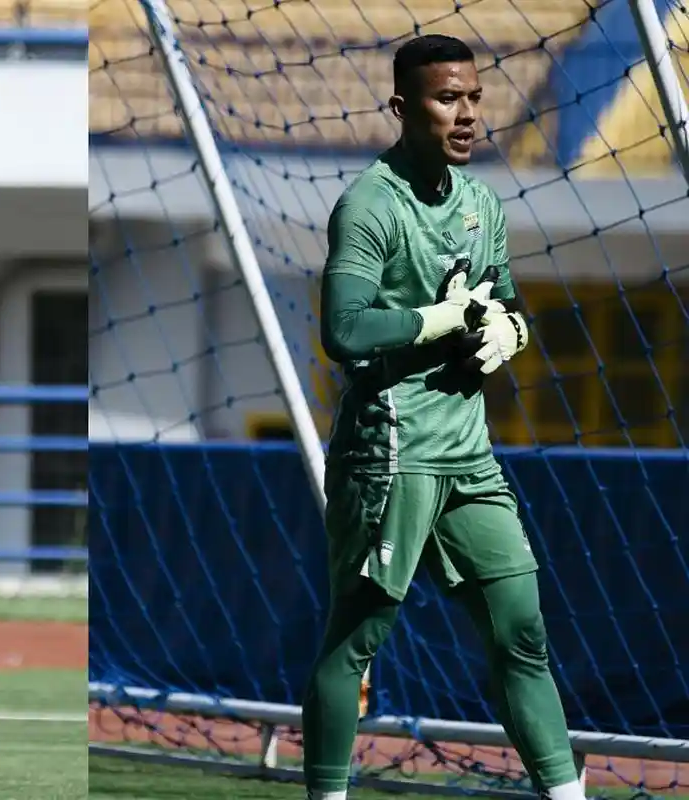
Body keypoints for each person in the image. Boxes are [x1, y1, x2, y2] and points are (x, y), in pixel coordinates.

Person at [301, 34, 585, 800]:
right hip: (389, 453)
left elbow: (505, 303)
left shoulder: (482, 204)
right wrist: (440, 320)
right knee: (357, 639)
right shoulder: (370, 204)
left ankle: (566, 794)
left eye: (474, 99)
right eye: (446, 99)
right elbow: (344, 330)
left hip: (469, 456)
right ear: (402, 107)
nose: (466, 115)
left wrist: (508, 334)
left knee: (521, 629)